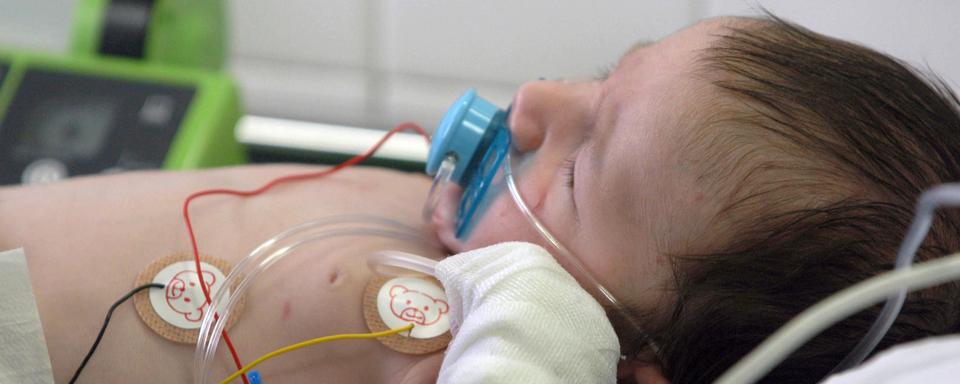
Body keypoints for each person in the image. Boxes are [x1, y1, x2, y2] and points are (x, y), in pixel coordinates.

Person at [3, 14, 960, 383]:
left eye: (581, 175)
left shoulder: (483, 352)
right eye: (601, 80)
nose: (540, 101)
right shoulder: (454, 223)